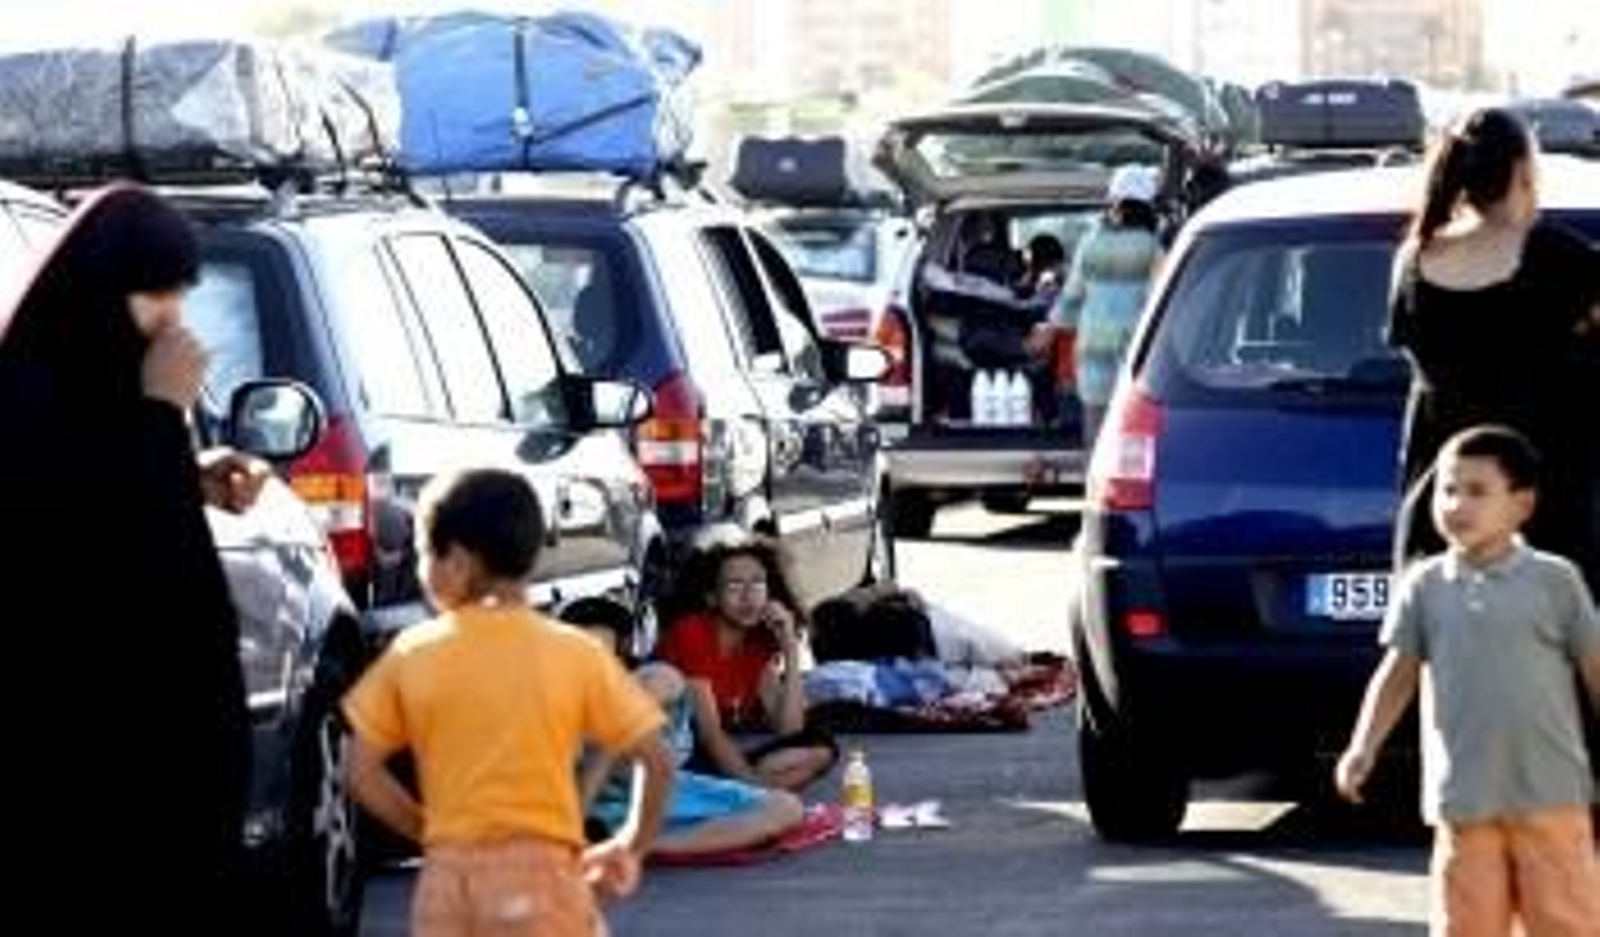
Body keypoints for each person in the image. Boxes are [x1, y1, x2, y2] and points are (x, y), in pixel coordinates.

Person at [0, 182, 257, 924]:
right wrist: (160, 416)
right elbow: (84, 538)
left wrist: (190, 471)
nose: (173, 314)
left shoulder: (115, 387)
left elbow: (124, 493)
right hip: (89, 745)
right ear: (102, 289)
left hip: (161, 746)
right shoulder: (26, 394)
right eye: (156, 292)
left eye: (179, 292)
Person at [342, 467, 675, 936]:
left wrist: (428, 832)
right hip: (546, 874)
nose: (420, 570)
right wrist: (628, 846)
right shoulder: (574, 652)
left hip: (450, 879)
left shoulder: (412, 653)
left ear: (458, 561)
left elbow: (359, 770)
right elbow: (657, 761)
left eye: (423, 554)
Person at [1336, 425, 1600, 936]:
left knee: (1565, 920)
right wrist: (1362, 747)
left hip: (1552, 794)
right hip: (1462, 798)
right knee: (1466, 924)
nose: (1457, 505)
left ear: (1522, 505)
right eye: (1447, 490)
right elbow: (1396, 674)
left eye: (1477, 491)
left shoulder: (1555, 580)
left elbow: (1594, 664)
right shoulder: (1425, 586)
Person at [1388, 106, 1600, 595]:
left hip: (1442, 522)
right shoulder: (1561, 259)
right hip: (1545, 524)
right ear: (1523, 173)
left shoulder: (1413, 262)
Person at [565, 598, 806, 860]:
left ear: (623, 648)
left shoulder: (656, 677)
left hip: (650, 797)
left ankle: (638, 847)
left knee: (786, 807)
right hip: (578, 807)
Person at [655, 533, 840, 793]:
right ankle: (753, 796)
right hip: (673, 756)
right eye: (734, 587)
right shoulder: (692, 633)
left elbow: (790, 730)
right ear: (712, 598)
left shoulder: (757, 643)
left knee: (821, 748)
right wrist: (751, 786)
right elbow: (710, 734)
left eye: (757, 584)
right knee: (755, 773)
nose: (748, 597)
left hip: (714, 760)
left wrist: (790, 648)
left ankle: (747, 793)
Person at [1026, 164, 1165, 449]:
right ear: (1147, 204)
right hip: (1136, 360)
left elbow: (1072, 297)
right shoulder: (1153, 248)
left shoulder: (1091, 241)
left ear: (1114, 199)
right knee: (1131, 445)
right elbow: (1160, 305)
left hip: (1093, 361)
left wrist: (1050, 328)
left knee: (1096, 443)